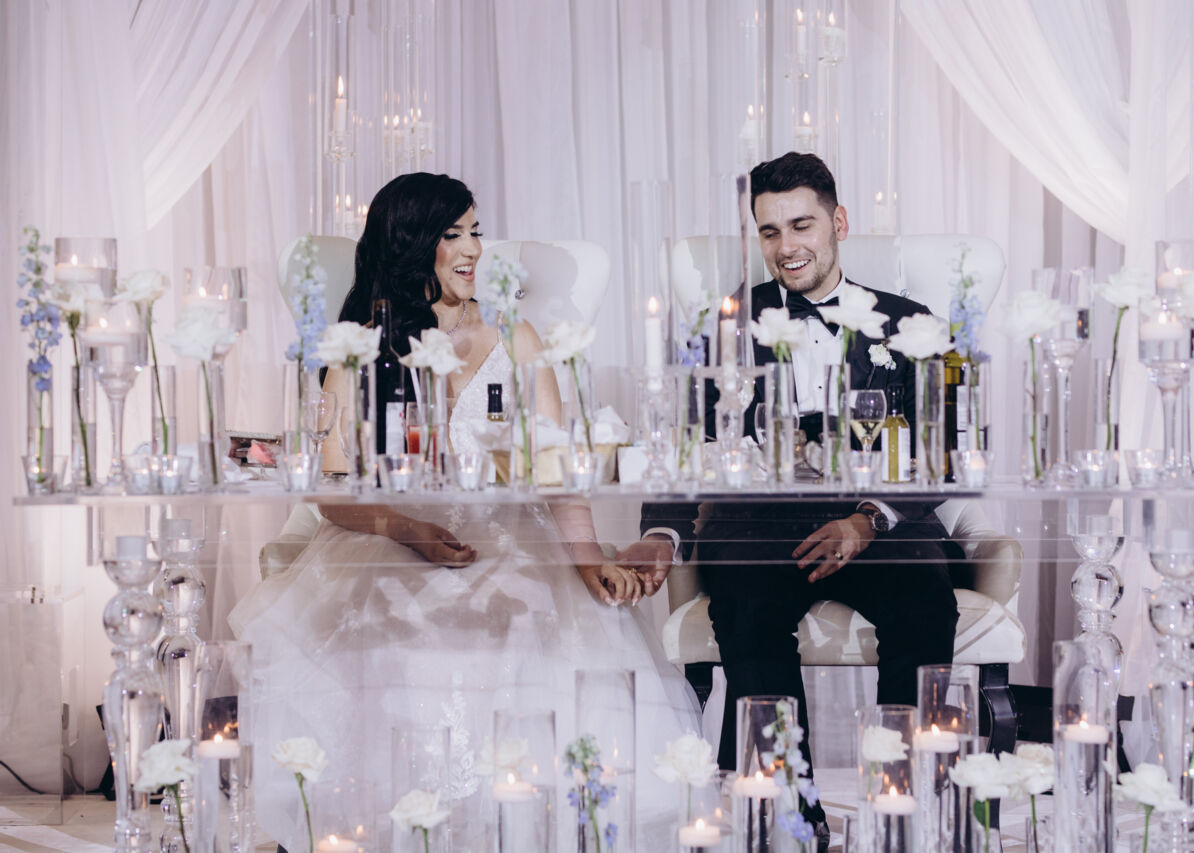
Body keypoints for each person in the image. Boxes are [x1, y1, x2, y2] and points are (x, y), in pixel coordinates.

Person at [230, 172, 702, 851]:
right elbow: (330, 489)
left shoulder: (516, 337)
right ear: (411, 242)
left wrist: (586, 559)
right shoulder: (357, 345)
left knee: (519, 621)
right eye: (453, 234)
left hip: (510, 536)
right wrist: (406, 528)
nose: (474, 248)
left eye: (476, 231)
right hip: (391, 533)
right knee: (401, 633)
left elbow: (554, 471)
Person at [627, 152, 962, 839]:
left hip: (880, 523)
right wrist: (661, 534)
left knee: (925, 603)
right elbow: (680, 446)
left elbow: (944, 450)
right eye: (769, 230)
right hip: (758, 526)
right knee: (747, 611)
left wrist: (868, 519)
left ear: (839, 222)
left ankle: (900, 806)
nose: (785, 246)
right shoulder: (721, 326)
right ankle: (788, 818)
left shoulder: (913, 324)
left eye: (801, 225)